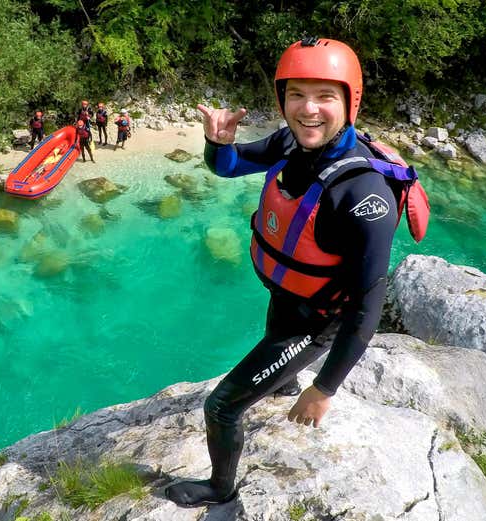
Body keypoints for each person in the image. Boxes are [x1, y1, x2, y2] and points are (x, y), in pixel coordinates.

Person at [164, 37, 428, 508]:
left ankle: (221, 489)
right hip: (288, 298)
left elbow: (367, 306)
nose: (308, 109)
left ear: (350, 102)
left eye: (325, 96)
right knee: (274, 342)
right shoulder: (290, 142)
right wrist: (217, 143)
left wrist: (324, 388)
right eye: (296, 95)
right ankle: (281, 382)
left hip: (320, 322)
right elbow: (229, 166)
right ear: (282, 98)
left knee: (220, 407)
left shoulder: (363, 196)